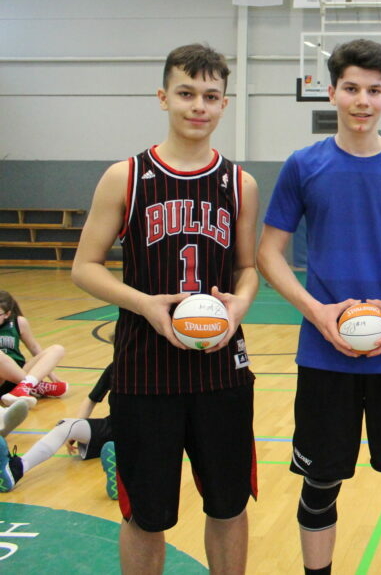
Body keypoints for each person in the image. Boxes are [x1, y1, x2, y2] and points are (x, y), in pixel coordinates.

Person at [256, 39, 381, 575]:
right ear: (331, 91)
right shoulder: (304, 165)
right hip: (324, 354)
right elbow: (268, 253)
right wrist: (316, 311)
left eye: (374, 90)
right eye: (351, 88)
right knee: (319, 484)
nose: (362, 101)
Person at [71, 43, 259, 575]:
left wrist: (240, 305)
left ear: (224, 104)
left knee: (229, 505)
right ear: (163, 97)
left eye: (210, 96)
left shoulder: (240, 184)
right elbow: (84, 266)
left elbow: (247, 267)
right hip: (144, 372)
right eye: (186, 93)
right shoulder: (126, 177)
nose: (198, 106)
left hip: (222, 371)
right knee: (146, 516)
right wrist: (145, 305)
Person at [0, 363, 118, 499]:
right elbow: (91, 399)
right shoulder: (117, 366)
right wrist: (75, 431)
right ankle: (16, 469)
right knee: (66, 425)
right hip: (114, 426)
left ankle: (123, 481)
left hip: (139, 435)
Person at [0, 289, 68, 404]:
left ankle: (25, 386)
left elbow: (34, 347)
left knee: (57, 349)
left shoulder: (18, 322)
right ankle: (36, 386)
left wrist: (50, 374)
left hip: (21, 371)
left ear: (7, 314)